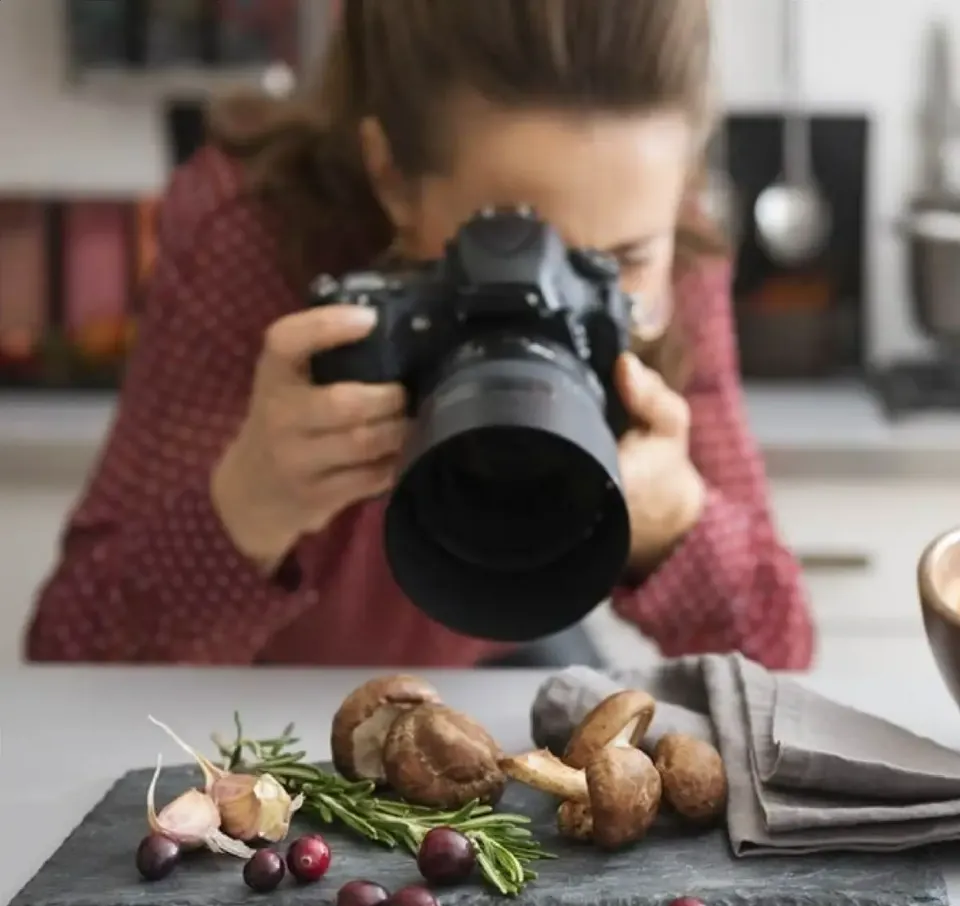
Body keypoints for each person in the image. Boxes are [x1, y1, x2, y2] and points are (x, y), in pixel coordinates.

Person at [23, 0, 814, 669]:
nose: (555, 301)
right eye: (511, 246)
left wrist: (678, 523)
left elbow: (781, 655)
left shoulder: (677, 252)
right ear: (391, 179)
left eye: (621, 260)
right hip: (253, 682)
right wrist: (249, 504)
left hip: (504, 641)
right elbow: (69, 657)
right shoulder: (252, 233)